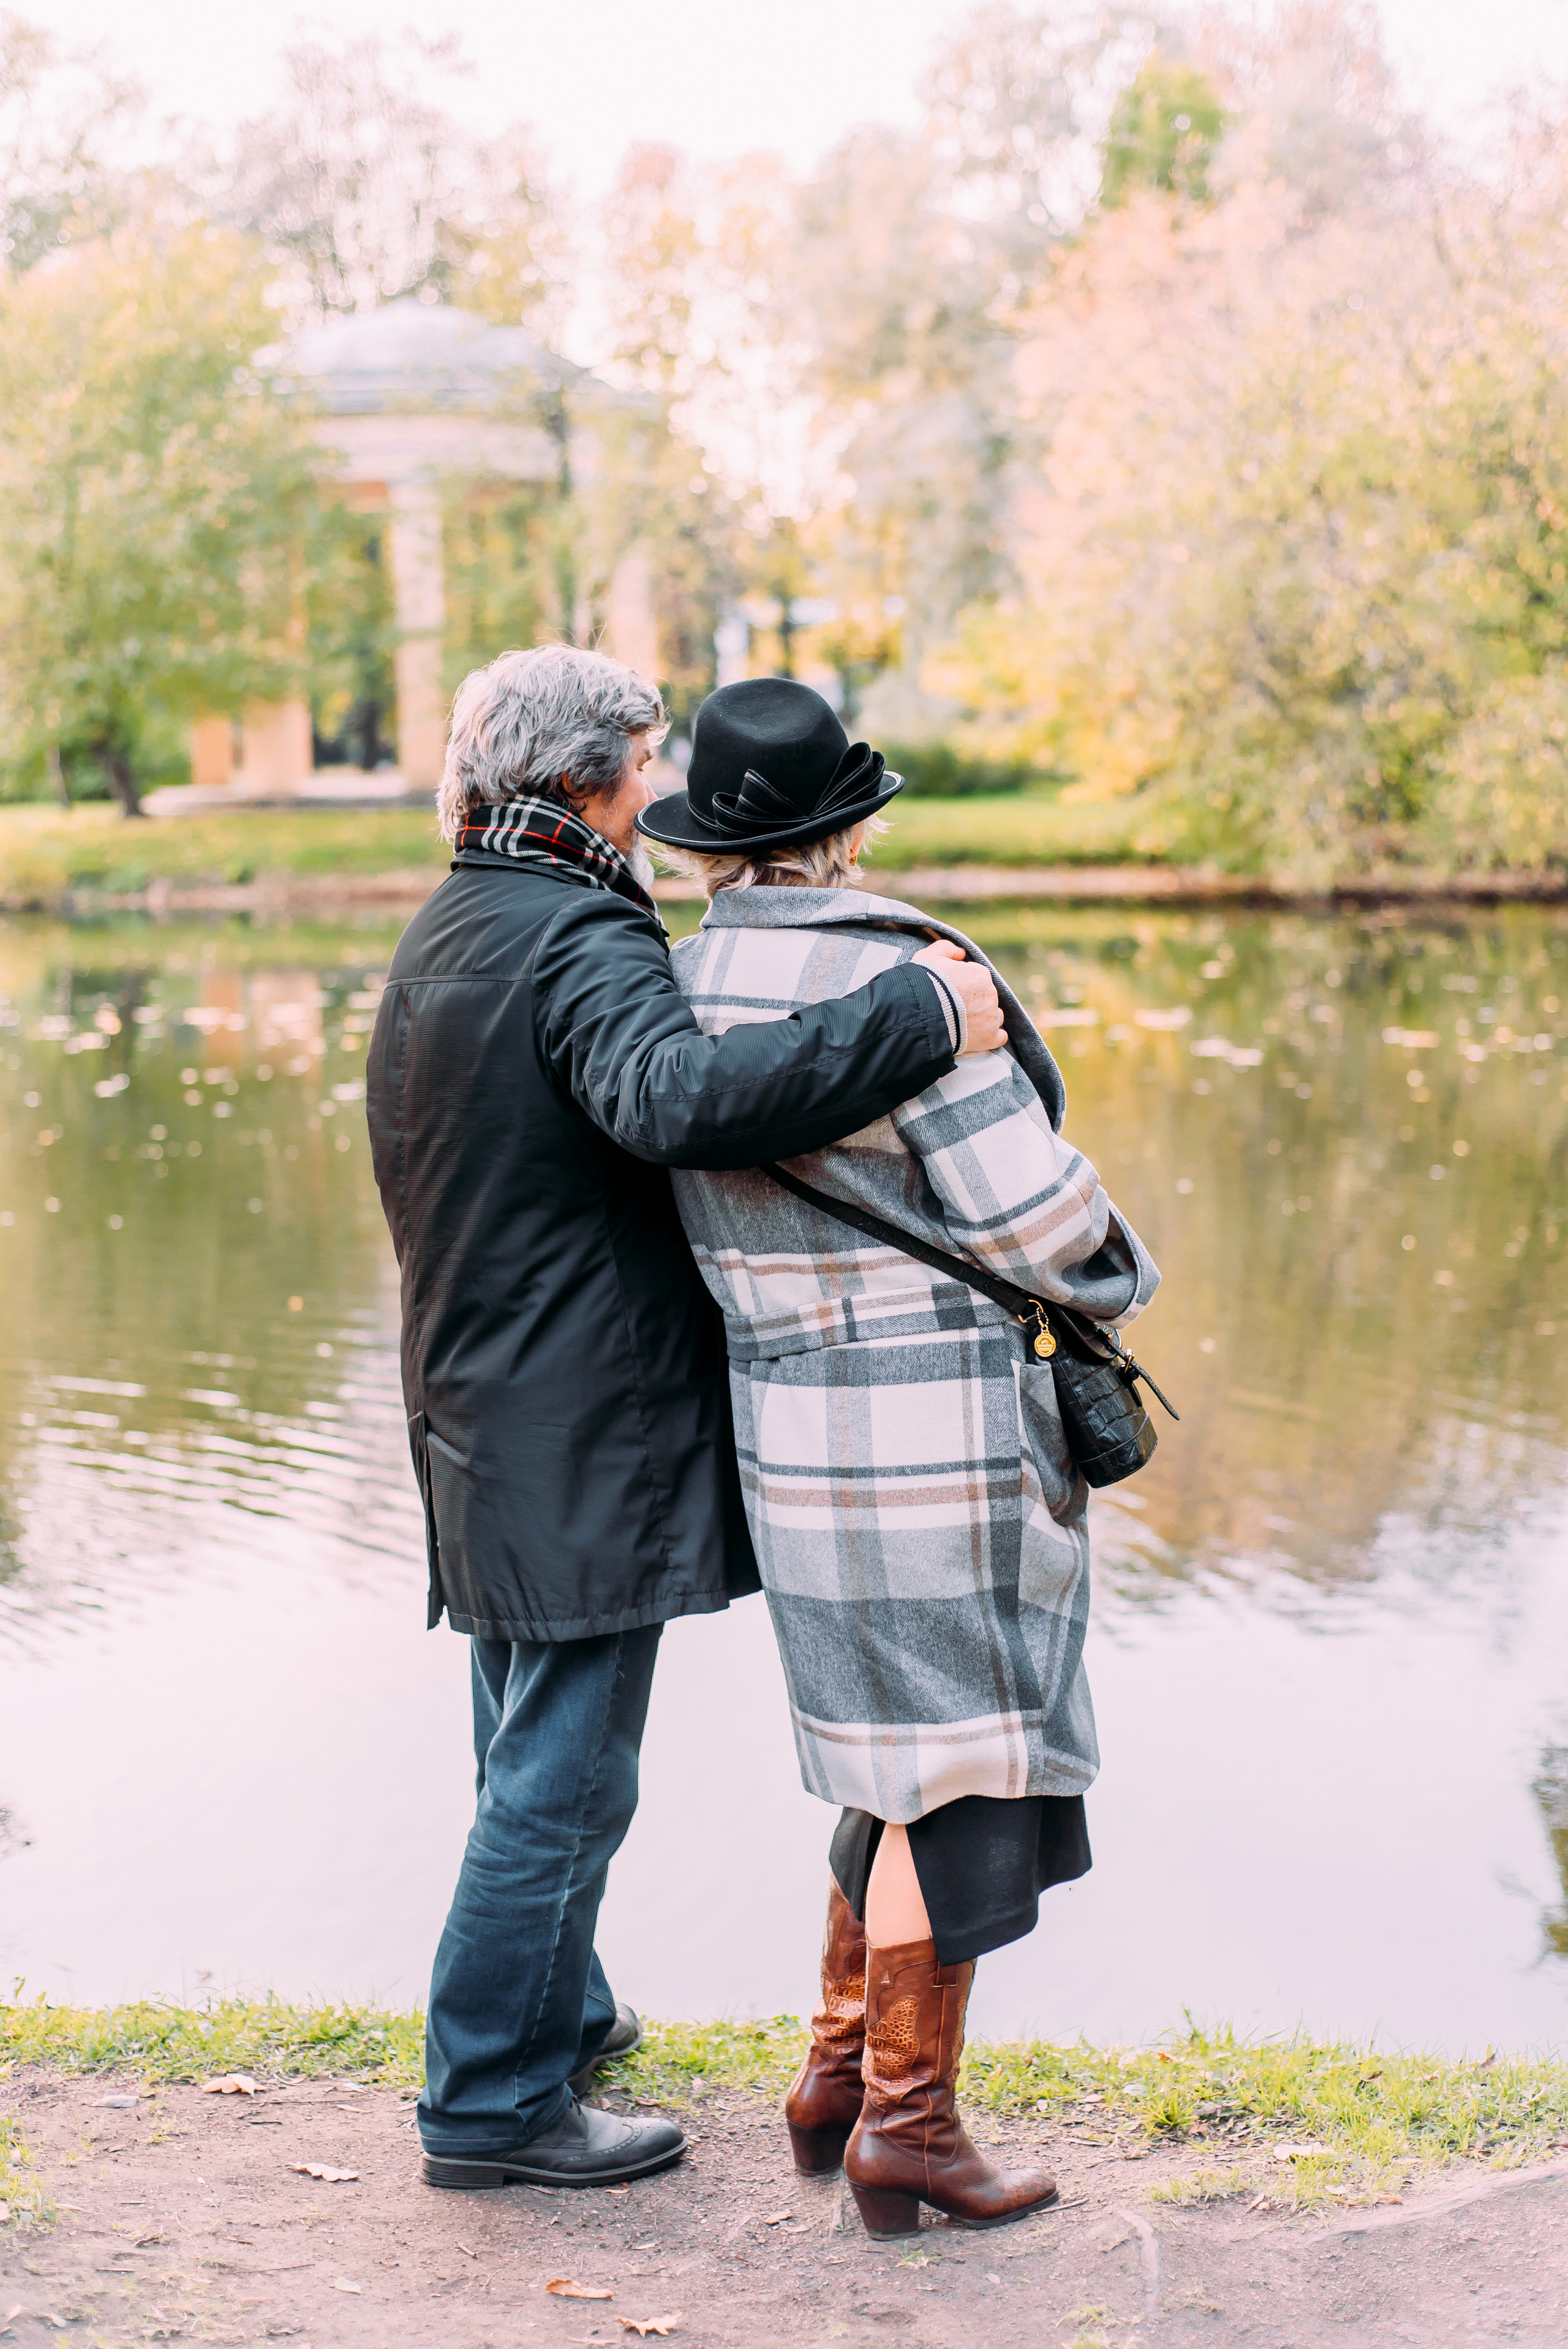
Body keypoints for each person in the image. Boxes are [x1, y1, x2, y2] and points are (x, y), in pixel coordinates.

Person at [365, 645, 1006, 2195]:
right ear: (585, 778)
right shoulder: (576, 930)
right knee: (570, 1774)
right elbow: (680, 1101)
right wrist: (918, 1013)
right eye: (643, 761)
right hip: (571, 1421)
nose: (653, 791)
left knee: (523, 1743)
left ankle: (559, 2015)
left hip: (481, 1402)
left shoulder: (461, 917)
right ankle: (491, 2100)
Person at [637, 676, 1159, 2239]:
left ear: (708, 845)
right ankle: (906, 2130)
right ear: (849, 828)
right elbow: (1028, 1216)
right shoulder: (908, 978)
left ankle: (834, 2076)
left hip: (788, 1428)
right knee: (962, 1774)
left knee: (886, 1755)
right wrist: (1119, 1265)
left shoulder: (675, 987)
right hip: (936, 1430)